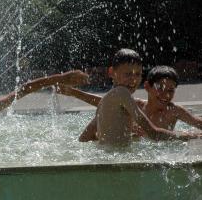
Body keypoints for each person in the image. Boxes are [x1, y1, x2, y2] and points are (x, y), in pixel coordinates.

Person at [56, 49, 202, 146]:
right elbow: (104, 103)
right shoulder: (134, 104)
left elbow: (198, 122)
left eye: (171, 90)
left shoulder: (174, 110)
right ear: (147, 87)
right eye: (160, 89)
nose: (166, 95)